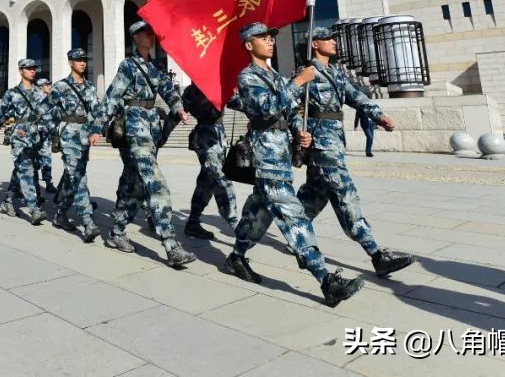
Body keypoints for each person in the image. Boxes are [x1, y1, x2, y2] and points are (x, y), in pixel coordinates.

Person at [223, 22, 364, 307]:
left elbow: (289, 110)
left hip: (281, 156)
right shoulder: (247, 77)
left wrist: (300, 131)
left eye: (271, 37)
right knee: (293, 215)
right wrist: (298, 81)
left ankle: (236, 257)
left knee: (258, 213)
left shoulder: (274, 75)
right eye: (263, 38)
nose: (270, 42)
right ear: (249, 45)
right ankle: (326, 280)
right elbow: (266, 108)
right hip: (265, 157)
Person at [296, 27, 414, 278]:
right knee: (345, 195)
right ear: (315, 43)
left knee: (313, 196)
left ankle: (297, 237)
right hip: (321, 146)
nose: (334, 42)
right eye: (327, 38)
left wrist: (379, 116)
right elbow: (290, 105)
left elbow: (357, 97)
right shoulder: (307, 73)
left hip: (334, 143)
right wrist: (298, 132)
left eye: (333, 38)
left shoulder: (336, 73)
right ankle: (377, 255)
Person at [89, 20, 195, 270]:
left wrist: (178, 108)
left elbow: (169, 91)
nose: (151, 35)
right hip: (134, 124)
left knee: (134, 183)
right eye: (145, 33)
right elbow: (113, 96)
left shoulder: (156, 67)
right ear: (135, 37)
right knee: (155, 182)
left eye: (151, 32)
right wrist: (96, 126)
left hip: (151, 126)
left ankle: (116, 232)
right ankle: (171, 244)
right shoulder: (128, 65)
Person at [44, 47, 101, 242]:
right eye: (78, 60)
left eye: (84, 59)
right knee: (78, 176)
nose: (83, 63)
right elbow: (46, 108)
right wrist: (40, 129)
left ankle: (60, 214)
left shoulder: (90, 87)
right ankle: (87, 221)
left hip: (85, 137)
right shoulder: (61, 86)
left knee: (72, 177)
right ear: (70, 62)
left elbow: (96, 112)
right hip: (68, 136)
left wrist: (96, 130)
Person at [181, 83, 240, 239]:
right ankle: (235, 224)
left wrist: (231, 91)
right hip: (205, 139)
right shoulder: (191, 92)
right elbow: (179, 110)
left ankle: (192, 223)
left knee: (206, 182)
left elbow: (238, 103)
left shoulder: (218, 87)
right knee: (220, 180)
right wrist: (164, 134)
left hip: (219, 137)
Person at [0, 59, 48, 225]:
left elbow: (47, 113)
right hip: (20, 137)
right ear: (20, 71)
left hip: (36, 138)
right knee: (26, 170)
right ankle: (34, 209)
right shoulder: (13, 93)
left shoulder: (40, 92)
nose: (33, 71)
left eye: (34, 68)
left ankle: (8, 199)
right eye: (29, 68)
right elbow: (0, 113)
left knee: (21, 170)